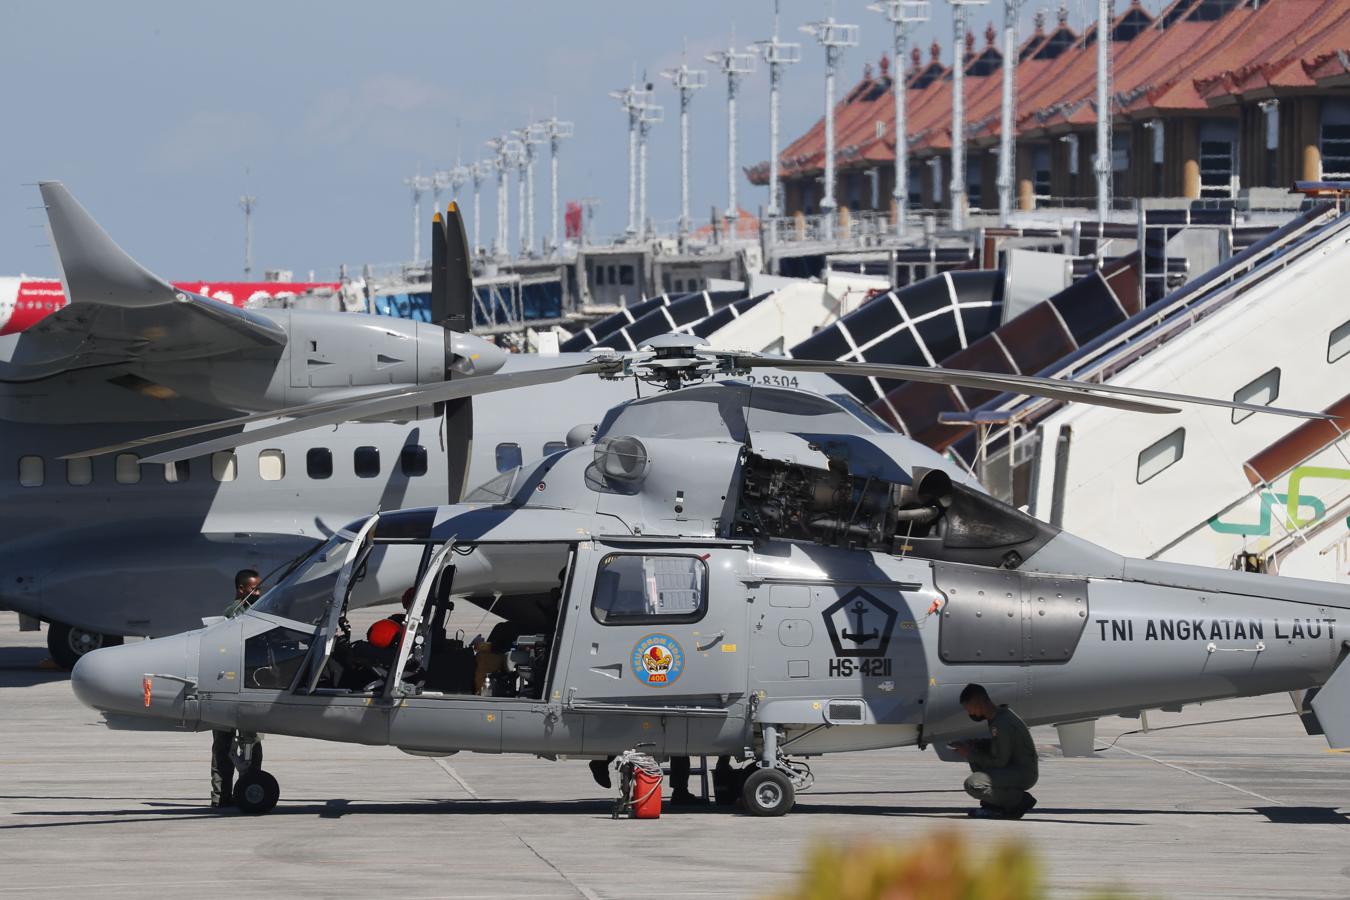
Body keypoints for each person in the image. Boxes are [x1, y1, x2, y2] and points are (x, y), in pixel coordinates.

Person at [211, 569, 264, 809]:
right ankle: (223, 796)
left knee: (249, 744)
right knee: (225, 747)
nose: (258, 592)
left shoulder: (257, 610)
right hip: (232, 686)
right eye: (253, 588)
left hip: (247, 685)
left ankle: (243, 791)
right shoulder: (234, 613)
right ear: (241, 589)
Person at [951, 683, 1038, 820]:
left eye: (969, 709)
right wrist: (977, 744)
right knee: (976, 758)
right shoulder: (998, 717)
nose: (969, 713)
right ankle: (995, 803)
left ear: (977, 703)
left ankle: (1018, 800)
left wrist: (969, 753)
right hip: (1015, 768)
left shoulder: (1001, 724)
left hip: (1022, 773)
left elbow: (999, 762)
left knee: (973, 784)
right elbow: (1003, 746)